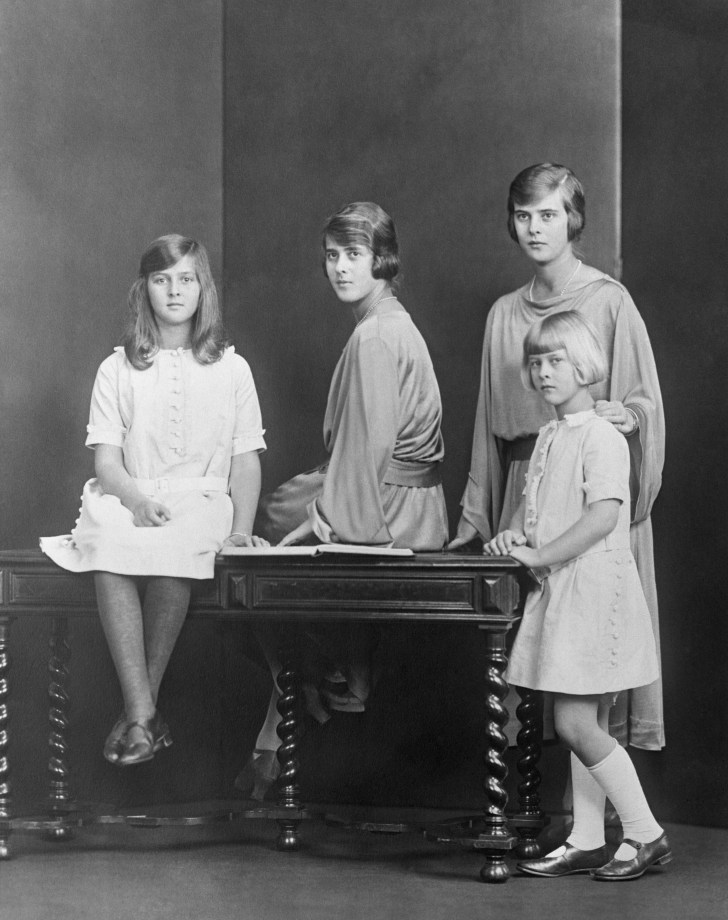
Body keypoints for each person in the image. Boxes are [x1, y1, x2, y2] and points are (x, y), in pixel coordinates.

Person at [449, 163, 665, 751]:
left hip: (588, 491)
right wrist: (479, 520)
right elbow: (487, 430)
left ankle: (598, 818)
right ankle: (530, 812)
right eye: (523, 217)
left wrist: (631, 417)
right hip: (527, 486)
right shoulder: (503, 314)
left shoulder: (607, 300)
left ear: (572, 221)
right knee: (526, 655)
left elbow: (644, 397)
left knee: (587, 664)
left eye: (548, 215)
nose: (535, 229)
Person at [238, 200, 448, 799]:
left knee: (265, 527)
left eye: (353, 255)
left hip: (392, 504)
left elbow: (369, 448)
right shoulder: (383, 323)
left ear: (381, 259)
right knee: (275, 510)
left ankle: (318, 684)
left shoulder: (378, 336)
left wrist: (324, 518)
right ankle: (307, 687)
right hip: (404, 494)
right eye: (331, 256)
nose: (339, 268)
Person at [41, 234, 268, 766]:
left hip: (200, 499)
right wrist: (138, 502)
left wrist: (242, 529)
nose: (173, 291)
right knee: (110, 545)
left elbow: (245, 461)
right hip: (128, 495)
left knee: (180, 548)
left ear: (202, 288)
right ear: (144, 290)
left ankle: (139, 717)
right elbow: (106, 463)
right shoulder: (116, 368)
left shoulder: (232, 369)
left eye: (185, 279)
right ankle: (143, 713)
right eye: (161, 280)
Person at [485, 310, 670, 880]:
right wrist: (517, 532)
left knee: (573, 723)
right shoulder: (548, 436)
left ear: (584, 365)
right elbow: (538, 509)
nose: (543, 372)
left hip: (595, 590)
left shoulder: (603, 435)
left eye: (556, 360)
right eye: (536, 362)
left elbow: (602, 516)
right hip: (565, 587)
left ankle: (644, 832)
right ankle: (589, 837)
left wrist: (540, 556)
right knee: (579, 717)